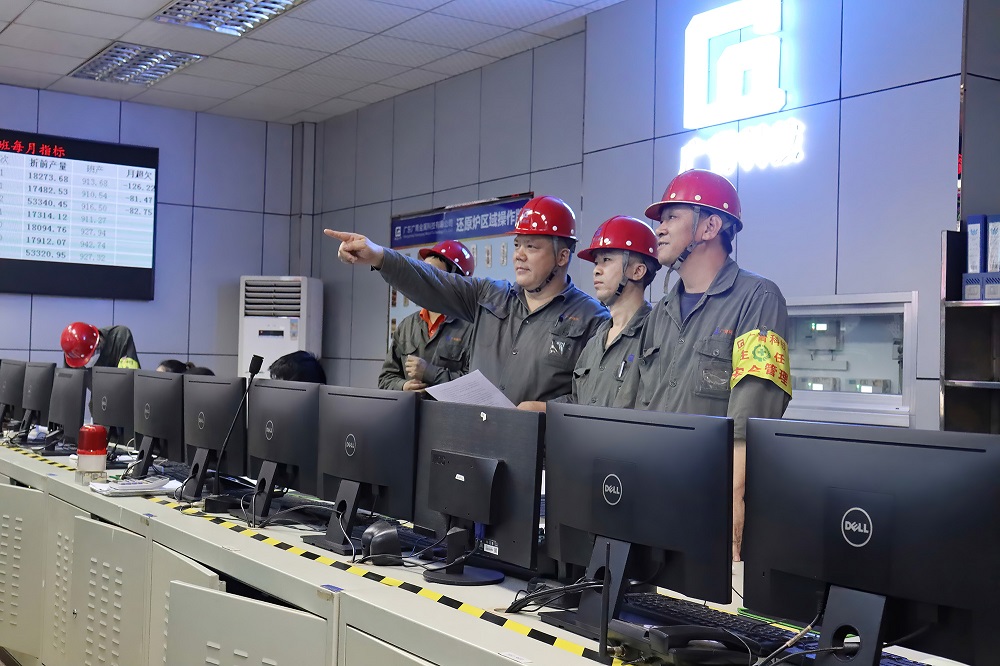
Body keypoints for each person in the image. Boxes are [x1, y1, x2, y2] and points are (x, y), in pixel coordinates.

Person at [616, 169, 791, 561]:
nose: (659, 228)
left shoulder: (758, 298)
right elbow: (636, 406)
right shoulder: (660, 313)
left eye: (671, 217)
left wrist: (733, 500)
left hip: (715, 505)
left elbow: (753, 411)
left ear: (711, 226)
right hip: (654, 499)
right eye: (660, 219)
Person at [325, 196, 610, 405]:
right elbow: (431, 281)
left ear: (562, 256)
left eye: (531, 246)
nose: (519, 255)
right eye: (517, 245)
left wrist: (548, 411)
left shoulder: (592, 319)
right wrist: (379, 256)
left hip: (539, 455)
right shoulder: (489, 296)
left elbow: (593, 398)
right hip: (474, 443)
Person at [519, 216, 659, 411]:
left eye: (606, 260)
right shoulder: (596, 340)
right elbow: (579, 401)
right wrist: (541, 408)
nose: (596, 271)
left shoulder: (655, 336)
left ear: (638, 271)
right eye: (596, 262)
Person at [378, 240, 475, 392]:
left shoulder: (472, 328)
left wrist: (429, 373)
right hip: (410, 408)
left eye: (431, 274)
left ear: (456, 280)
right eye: (421, 273)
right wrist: (403, 386)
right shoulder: (407, 326)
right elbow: (385, 379)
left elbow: (475, 386)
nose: (423, 281)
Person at [61, 322, 139, 369]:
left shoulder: (120, 337)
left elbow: (130, 379)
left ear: (98, 343)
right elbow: (68, 384)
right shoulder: (72, 352)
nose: (86, 365)